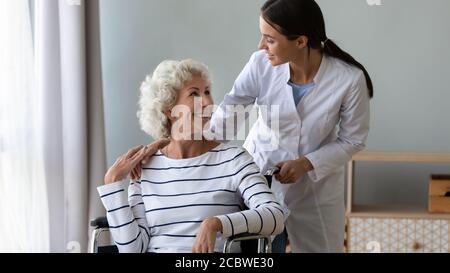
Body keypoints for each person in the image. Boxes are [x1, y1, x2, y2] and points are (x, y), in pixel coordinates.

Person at [210, 0, 372, 253]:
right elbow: (227, 115)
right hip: (261, 177)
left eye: (270, 39)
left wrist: (305, 163)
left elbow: (353, 140)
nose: (261, 46)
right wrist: (177, 142)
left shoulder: (349, 79)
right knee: (255, 254)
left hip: (316, 190)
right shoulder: (259, 64)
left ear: (300, 41)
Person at [97, 59, 285, 253]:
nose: (208, 102)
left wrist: (216, 224)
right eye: (194, 93)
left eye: (207, 92)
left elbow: (274, 216)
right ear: (170, 110)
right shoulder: (145, 169)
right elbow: (132, 249)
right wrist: (113, 183)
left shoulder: (233, 159)